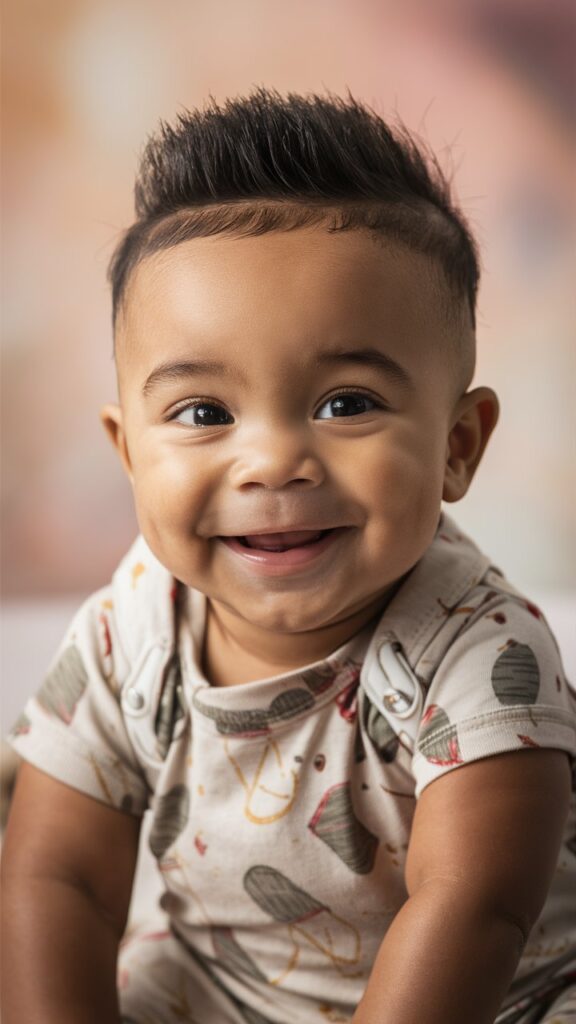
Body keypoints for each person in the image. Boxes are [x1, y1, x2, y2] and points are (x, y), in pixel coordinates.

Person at [2, 88, 575, 1024]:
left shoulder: (482, 656)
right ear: (129, 454)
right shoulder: (131, 627)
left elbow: (473, 909)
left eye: (347, 402)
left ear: (457, 446)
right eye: (203, 414)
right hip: (219, 987)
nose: (270, 460)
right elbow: (57, 876)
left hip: (495, 993)